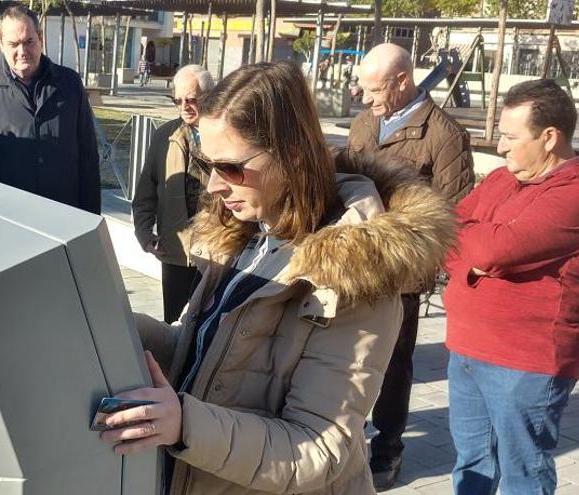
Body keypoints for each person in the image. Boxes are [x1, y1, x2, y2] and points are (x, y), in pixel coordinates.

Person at [100, 61, 454, 495]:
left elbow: (318, 450)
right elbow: (206, 356)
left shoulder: (357, 275)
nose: (212, 185)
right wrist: (117, 328)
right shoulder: (246, 233)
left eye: (229, 167)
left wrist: (184, 424)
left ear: (292, 154)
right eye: (204, 162)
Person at [347, 42, 475, 491]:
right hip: (357, 266)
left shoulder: (444, 135)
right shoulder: (366, 122)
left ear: (402, 81)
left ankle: (387, 450)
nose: (365, 99)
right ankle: (347, 441)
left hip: (401, 274)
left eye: (374, 89)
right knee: (350, 357)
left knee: (394, 365)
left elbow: (455, 213)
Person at [444, 79, 579, 495]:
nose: (499, 147)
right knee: (471, 464)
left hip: (525, 363)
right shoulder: (503, 179)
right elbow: (442, 230)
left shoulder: (572, 193)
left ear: (550, 137)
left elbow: (494, 250)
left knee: (524, 474)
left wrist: (481, 249)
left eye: (509, 137)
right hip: (465, 347)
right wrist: (478, 250)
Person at [0, 6, 100, 214]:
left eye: (29, 42)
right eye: (13, 44)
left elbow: (88, 154)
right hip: (8, 217)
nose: (22, 51)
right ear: (0, 42)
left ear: (41, 38)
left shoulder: (70, 84)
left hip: (64, 214)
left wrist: (91, 216)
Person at [131, 65, 212, 323]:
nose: (184, 106)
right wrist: (145, 235)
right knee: (174, 328)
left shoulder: (227, 133)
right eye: (178, 100)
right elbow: (145, 194)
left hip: (216, 254)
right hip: (175, 254)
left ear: (209, 96)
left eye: (191, 99)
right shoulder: (165, 135)